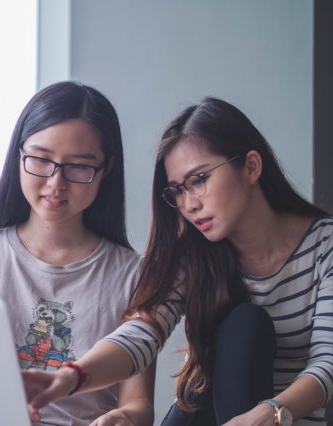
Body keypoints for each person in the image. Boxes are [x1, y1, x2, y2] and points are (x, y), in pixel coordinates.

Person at [23, 97, 333, 426]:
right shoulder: (194, 254)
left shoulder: (325, 245)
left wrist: (267, 414)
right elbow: (141, 334)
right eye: (177, 191)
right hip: (209, 416)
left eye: (199, 180)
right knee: (242, 324)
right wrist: (72, 377)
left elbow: (328, 363)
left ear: (251, 167)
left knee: (246, 323)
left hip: (277, 418)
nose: (188, 204)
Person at [0, 81, 155, 425]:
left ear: (107, 170)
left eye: (78, 166)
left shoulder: (133, 275)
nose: (56, 183)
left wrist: (124, 419)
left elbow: (138, 404)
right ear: (19, 155)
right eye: (41, 160)